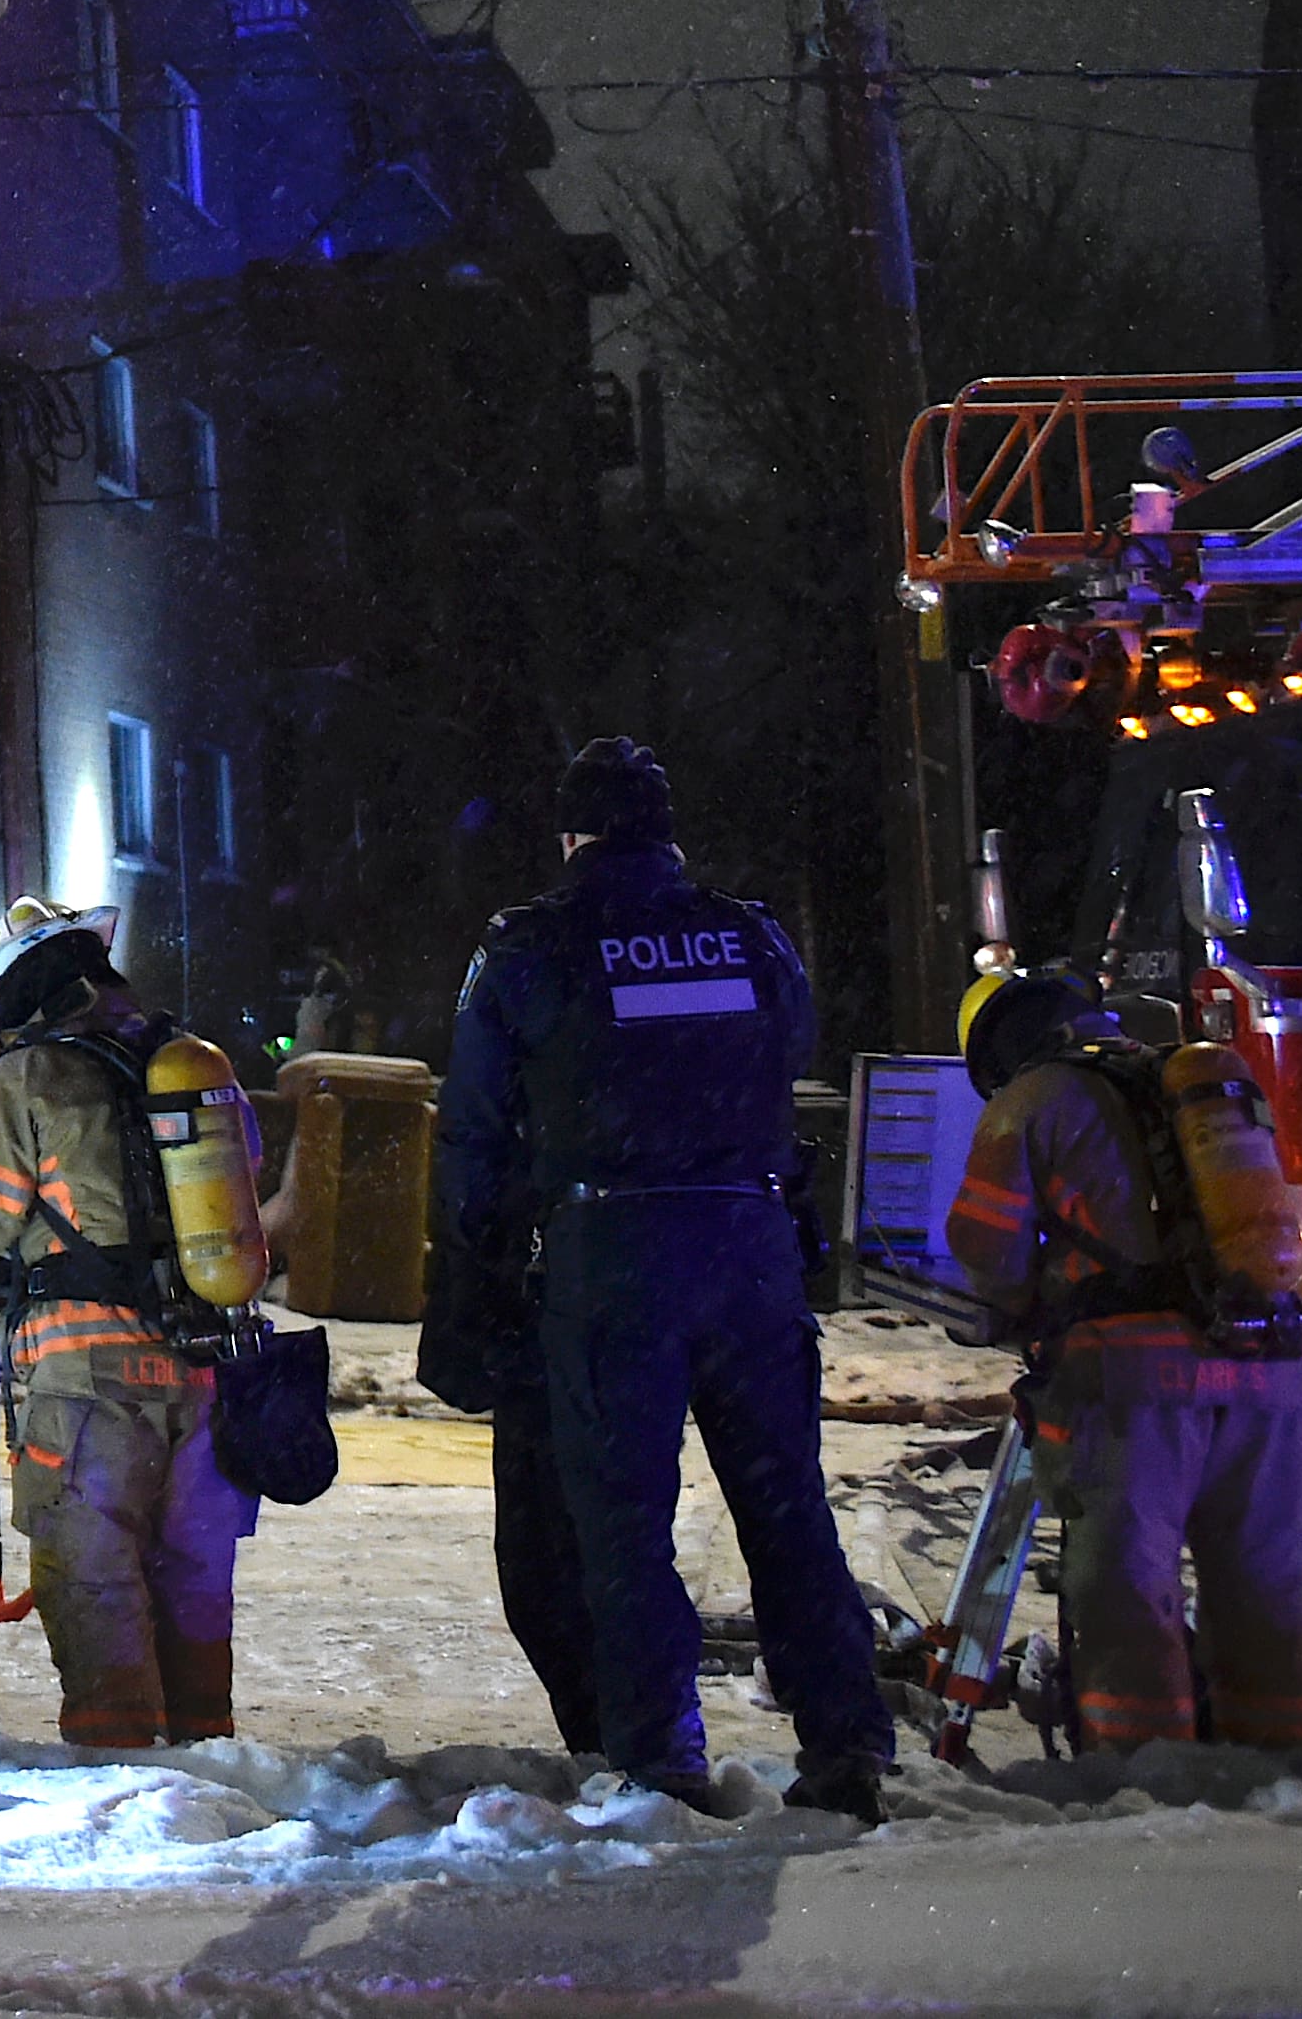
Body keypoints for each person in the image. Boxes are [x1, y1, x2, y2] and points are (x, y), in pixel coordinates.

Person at [441, 737, 891, 1821]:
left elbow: (471, 1132)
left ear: (569, 835)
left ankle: (658, 1757)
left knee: (622, 1520)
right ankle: (842, 1743)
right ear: (665, 829)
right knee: (785, 1509)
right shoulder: (748, 935)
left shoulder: (528, 946)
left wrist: (472, 1279)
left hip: (611, 1255)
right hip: (747, 1241)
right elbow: (786, 1053)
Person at [0, 897, 258, 1748]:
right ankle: (208, 1766)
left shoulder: (30, 1079)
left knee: (95, 1586)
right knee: (193, 1582)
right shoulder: (189, 1066)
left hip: (89, 1386)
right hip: (204, 1373)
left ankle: (119, 1777)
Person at [950, 969, 1302, 1750]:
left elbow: (989, 1251)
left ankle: (1145, 1779)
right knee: (1266, 1586)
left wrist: (1025, 1303)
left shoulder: (1031, 1100)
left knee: (1128, 1593)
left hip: (1135, 1393)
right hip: (1272, 1370)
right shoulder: (1197, 1088)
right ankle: (1285, 1763)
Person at [415, 1218, 597, 1756]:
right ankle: (622, 1747)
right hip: (548, 1311)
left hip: (566, 1309)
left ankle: (634, 1750)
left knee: (565, 1577)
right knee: (550, 1578)